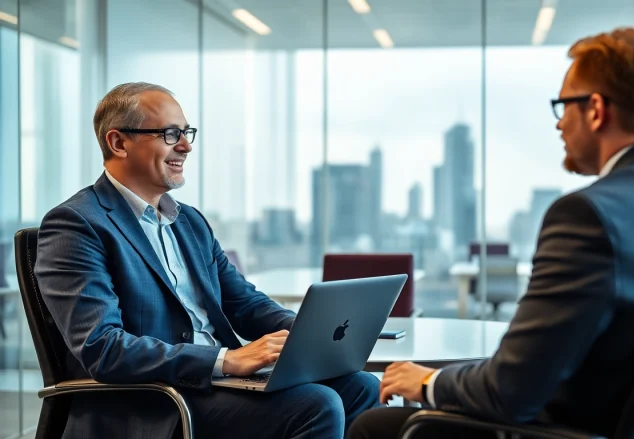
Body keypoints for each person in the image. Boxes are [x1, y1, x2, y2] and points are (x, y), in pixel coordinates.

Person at [348, 27, 634, 439]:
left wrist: (427, 383)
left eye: (563, 105)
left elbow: (510, 393)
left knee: (374, 425)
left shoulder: (589, 216)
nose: (559, 124)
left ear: (596, 110)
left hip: (571, 430)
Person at [35, 82, 380, 439]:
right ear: (119, 143)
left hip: (215, 385)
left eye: (186, 133)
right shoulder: (77, 224)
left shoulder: (189, 222)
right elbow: (102, 347)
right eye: (170, 134)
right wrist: (225, 360)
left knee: (360, 386)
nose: (184, 145)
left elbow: (243, 302)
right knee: (317, 403)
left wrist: (308, 333)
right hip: (155, 401)